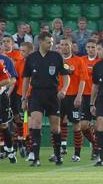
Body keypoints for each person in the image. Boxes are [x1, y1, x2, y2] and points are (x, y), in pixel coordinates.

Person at [21, 32, 70, 167]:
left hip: (52, 95)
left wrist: (64, 90)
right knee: (36, 124)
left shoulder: (56, 56)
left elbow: (66, 76)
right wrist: (24, 98)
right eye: (49, 42)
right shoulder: (31, 58)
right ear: (41, 42)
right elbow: (26, 79)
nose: (51, 44)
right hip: (36, 94)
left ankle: (58, 155)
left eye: (52, 42)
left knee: (55, 128)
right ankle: (36, 158)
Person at [56, 36, 88, 162]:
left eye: (66, 45)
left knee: (76, 125)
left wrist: (79, 96)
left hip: (73, 97)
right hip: (59, 97)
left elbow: (83, 80)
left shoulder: (79, 60)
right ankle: (57, 152)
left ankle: (77, 154)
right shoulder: (56, 60)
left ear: (71, 46)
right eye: (62, 45)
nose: (64, 47)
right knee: (56, 124)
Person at [78, 39, 101, 159]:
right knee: (83, 125)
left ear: (97, 48)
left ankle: (96, 149)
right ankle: (95, 143)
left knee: (98, 125)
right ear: (86, 48)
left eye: (93, 47)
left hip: (98, 96)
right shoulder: (81, 60)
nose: (91, 49)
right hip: (84, 96)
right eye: (89, 47)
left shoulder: (101, 62)